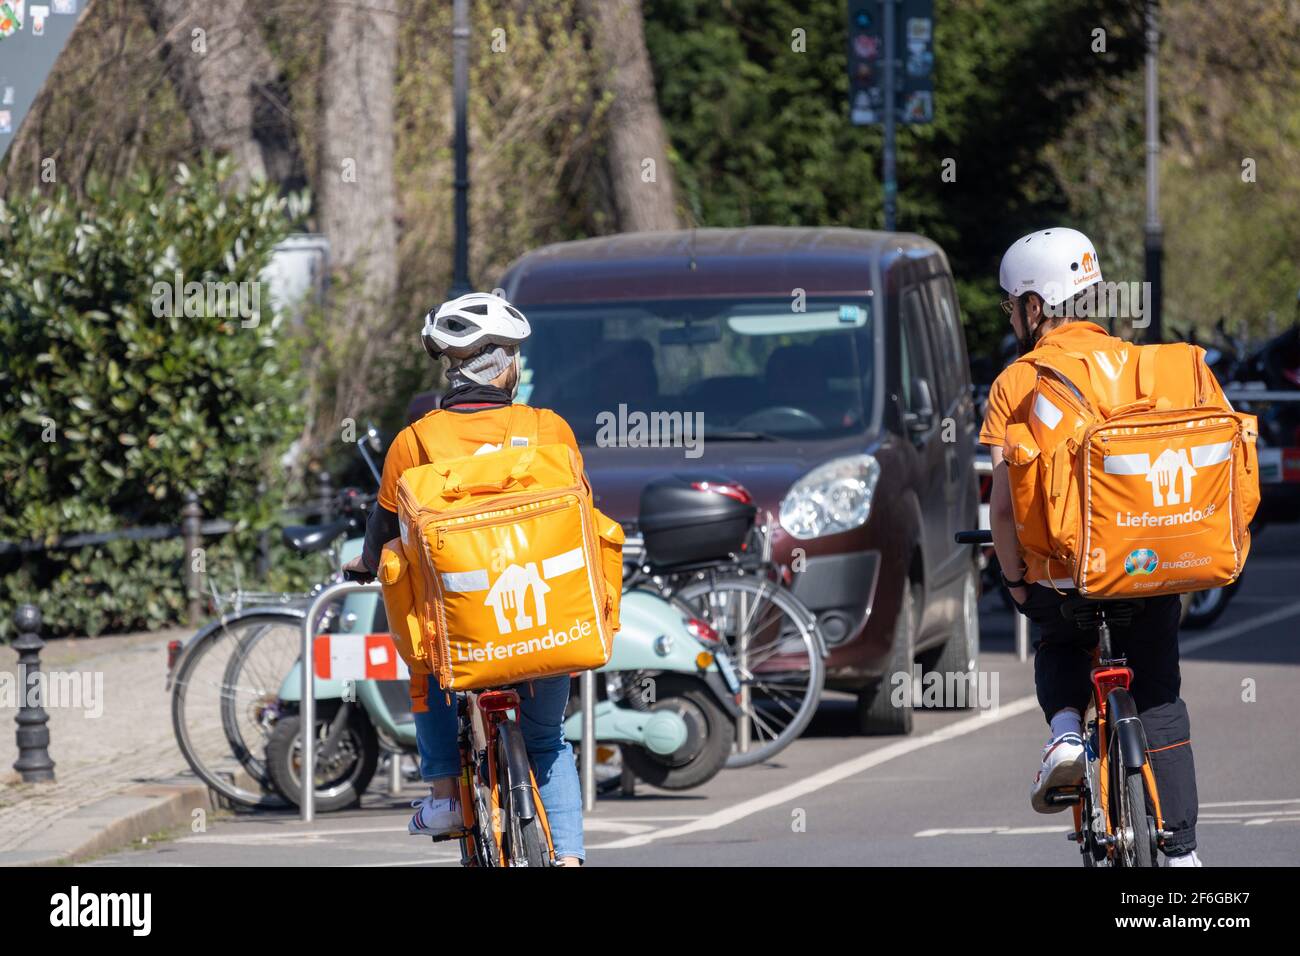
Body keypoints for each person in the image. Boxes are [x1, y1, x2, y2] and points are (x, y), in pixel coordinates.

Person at [980, 227, 1202, 867]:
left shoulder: (1017, 383)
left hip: (1066, 578)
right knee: (1160, 700)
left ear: (1034, 305)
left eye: (1011, 304)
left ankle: (1066, 734)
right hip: (1149, 573)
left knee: (1056, 639)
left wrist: (1017, 581)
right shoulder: (1141, 368)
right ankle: (1184, 858)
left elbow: (1001, 506)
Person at [343, 292, 586, 866]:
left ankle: (447, 795)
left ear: (453, 368)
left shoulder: (415, 442)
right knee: (548, 742)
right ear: (505, 364)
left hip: (463, 633)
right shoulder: (550, 430)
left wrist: (365, 562)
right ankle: (570, 860)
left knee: (425, 661)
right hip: (542, 628)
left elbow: (383, 529)